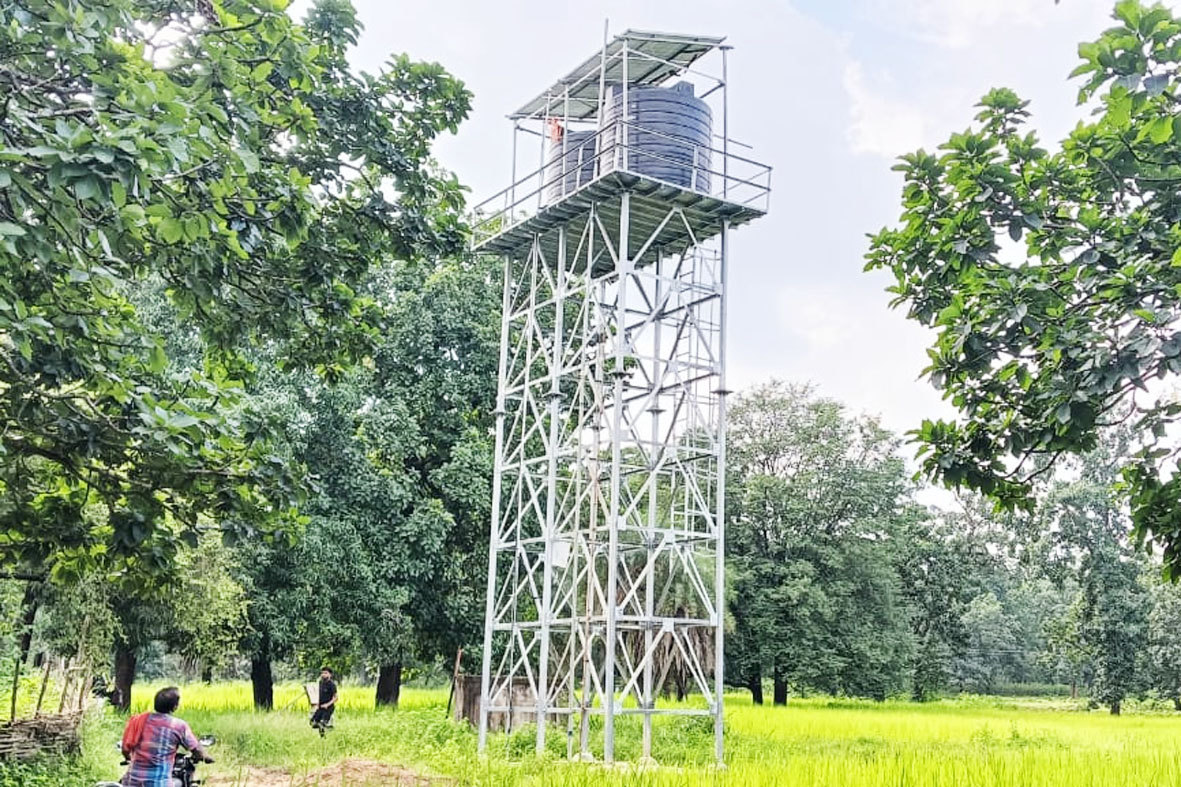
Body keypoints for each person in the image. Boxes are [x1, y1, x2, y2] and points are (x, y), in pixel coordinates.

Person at [121, 686, 212, 786]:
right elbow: (196, 749)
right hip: (159, 782)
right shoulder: (178, 726)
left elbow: (125, 748)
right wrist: (206, 758)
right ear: (174, 707)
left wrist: (128, 758)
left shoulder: (139, 721)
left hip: (132, 781)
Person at [310, 666, 337, 735]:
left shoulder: (332, 685)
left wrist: (327, 704)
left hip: (328, 708)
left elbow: (335, 698)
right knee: (313, 723)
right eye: (322, 673)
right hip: (320, 707)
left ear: (330, 675)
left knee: (322, 723)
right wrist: (316, 704)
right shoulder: (320, 683)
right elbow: (318, 694)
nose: (323, 675)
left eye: (325, 673)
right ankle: (328, 728)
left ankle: (324, 736)